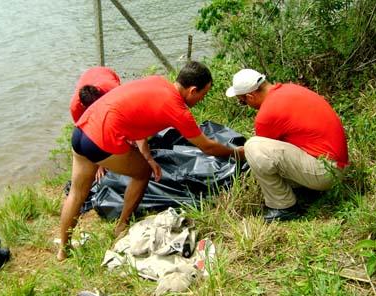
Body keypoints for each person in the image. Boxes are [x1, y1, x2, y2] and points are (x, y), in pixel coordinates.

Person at [57, 61, 245, 261]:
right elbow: (206, 146)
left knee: (77, 192)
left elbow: (135, 119)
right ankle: (121, 226)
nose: (202, 99)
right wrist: (237, 153)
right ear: (192, 90)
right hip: (102, 140)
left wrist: (146, 156)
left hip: (81, 130)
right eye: (203, 94)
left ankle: (63, 249)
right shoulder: (177, 109)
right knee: (142, 173)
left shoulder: (158, 82)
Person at [226, 69, 349, 223]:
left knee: (253, 147)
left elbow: (263, 158)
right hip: (336, 165)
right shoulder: (290, 89)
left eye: (242, 102)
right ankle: (305, 191)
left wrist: (227, 152)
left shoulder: (267, 113)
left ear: (250, 96)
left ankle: (283, 207)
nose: (245, 104)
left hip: (327, 172)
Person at [69, 66, 121, 181]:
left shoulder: (112, 89)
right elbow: (88, 135)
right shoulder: (76, 108)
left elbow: (124, 114)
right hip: (90, 75)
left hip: (107, 73)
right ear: (83, 106)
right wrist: (100, 163)